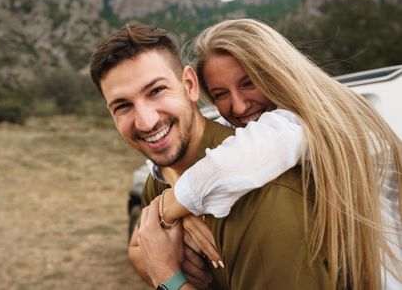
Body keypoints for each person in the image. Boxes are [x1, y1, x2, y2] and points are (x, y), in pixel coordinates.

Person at [154, 19, 402, 289]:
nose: (237, 105)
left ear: (276, 72)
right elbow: (189, 145)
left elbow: (230, 164)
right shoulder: (263, 122)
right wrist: (179, 194)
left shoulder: (314, 119)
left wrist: (168, 210)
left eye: (249, 83)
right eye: (221, 93)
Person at [90, 22, 330, 289]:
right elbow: (139, 248)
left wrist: (168, 277)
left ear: (190, 85)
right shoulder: (158, 183)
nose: (146, 122)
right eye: (123, 106)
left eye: (156, 90)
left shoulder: (262, 189)